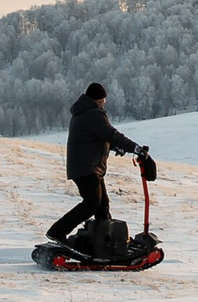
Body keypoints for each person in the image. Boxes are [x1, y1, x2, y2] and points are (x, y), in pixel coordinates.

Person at [45, 81, 140, 244]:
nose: (105, 102)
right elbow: (112, 134)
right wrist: (135, 148)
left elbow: (95, 138)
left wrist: (113, 147)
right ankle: (57, 232)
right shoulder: (94, 114)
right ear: (99, 100)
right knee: (92, 203)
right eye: (104, 99)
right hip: (87, 167)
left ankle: (106, 242)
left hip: (86, 166)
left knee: (102, 205)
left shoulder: (83, 112)